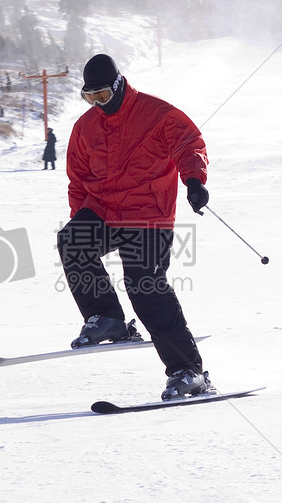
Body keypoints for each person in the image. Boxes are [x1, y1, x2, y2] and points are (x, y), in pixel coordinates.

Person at [58, 53, 213, 401]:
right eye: (89, 98)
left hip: (149, 217)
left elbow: (190, 143)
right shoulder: (85, 127)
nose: (97, 104)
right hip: (106, 212)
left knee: (144, 284)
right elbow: (78, 180)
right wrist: (80, 223)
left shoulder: (156, 113)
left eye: (102, 96)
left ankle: (188, 371)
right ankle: (106, 317)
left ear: (117, 86)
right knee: (71, 241)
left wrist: (194, 180)